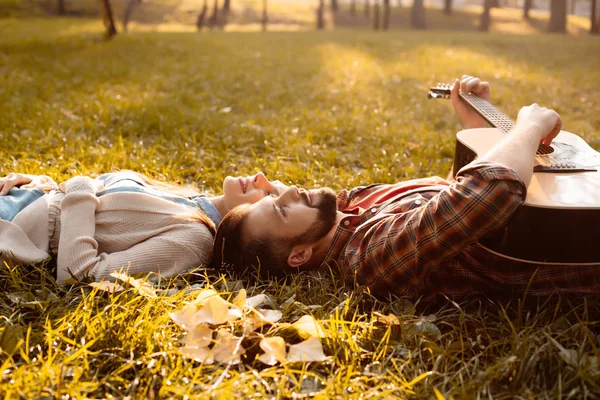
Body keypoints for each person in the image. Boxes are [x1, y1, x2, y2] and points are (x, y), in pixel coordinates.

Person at [213, 75, 600, 300]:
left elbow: (446, 200)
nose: (290, 191)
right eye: (281, 209)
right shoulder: (367, 260)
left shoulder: (350, 206)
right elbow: (486, 196)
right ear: (298, 255)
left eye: (274, 195)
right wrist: (527, 127)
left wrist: (477, 128)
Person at [0, 170, 288, 284]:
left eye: (269, 195)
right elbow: (95, 201)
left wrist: (78, 187)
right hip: (20, 197)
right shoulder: (187, 195)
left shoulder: (195, 240)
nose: (261, 177)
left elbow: (81, 275)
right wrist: (41, 184)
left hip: (11, 226)